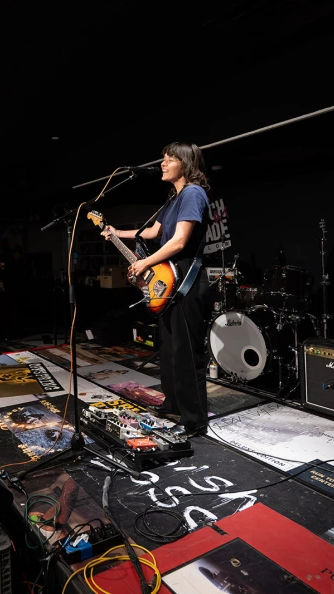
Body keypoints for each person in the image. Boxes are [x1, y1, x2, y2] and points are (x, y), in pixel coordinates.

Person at [100, 142, 211, 436]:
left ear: (185, 164)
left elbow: (179, 241)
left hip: (186, 278)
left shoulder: (193, 193)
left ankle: (195, 420)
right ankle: (174, 403)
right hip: (169, 279)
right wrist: (116, 233)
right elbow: (152, 232)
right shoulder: (173, 199)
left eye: (169, 159)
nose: (162, 164)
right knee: (170, 349)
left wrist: (145, 262)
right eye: (163, 159)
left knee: (187, 353)